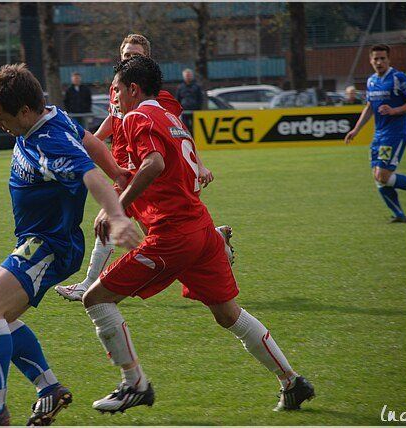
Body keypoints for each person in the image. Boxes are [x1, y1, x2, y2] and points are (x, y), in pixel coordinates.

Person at [82, 55, 315, 415]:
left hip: (172, 236)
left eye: (117, 90)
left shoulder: (137, 117)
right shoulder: (170, 118)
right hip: (200, 229)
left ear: (134, 89)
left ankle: (134, 385)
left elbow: (154, 164)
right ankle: (292, 382)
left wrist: (117, 208)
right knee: (228, 314)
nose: (115, 98)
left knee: (96, 299)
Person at [0, 63, 140, 426]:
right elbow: (90, 141)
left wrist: (117, 215)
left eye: (2, 117)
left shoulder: (49, 141)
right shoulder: (51, 115)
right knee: (2, 320)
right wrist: (118, 172)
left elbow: (90, 175)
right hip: (39, 240)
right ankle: (49, 389)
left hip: (49, 244)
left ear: (25, 111)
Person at [55, 34, 233, 303]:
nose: (130, 58)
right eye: (126, 55)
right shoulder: (119, 89)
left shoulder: (156, 97)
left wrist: (199, 163)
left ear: (147, 59)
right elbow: (113, 119)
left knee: (113, 217)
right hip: (122, 164)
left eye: (135, 55)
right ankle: (214, 243)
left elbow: (178, 133)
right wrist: (94, 140)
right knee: (156, 234)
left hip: (137, 169)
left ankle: (89, 283)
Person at [345, 44, 406, 223]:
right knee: (378, 177)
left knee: (382, 176)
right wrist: (356, 129)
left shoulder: (398, 77)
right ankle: (398, 214)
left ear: (388, 59)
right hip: (379, 135)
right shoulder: (371, 81)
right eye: (376, 58)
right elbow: (369, 107)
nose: (379, 62)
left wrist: (394, 110)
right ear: (370, 60)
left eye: (383, 58)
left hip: (395, 134)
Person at [175, 68, 204, 134]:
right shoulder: (180, 87)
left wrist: (199, 108)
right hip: (184, 111)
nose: (188, 77)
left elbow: (200, 98)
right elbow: (177, 99)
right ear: (184, 77)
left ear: (192, 76)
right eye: (186, 75)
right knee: (185, 128)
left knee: (196, 128)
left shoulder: (197, 86)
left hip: (195, 111)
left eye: (189, 75)